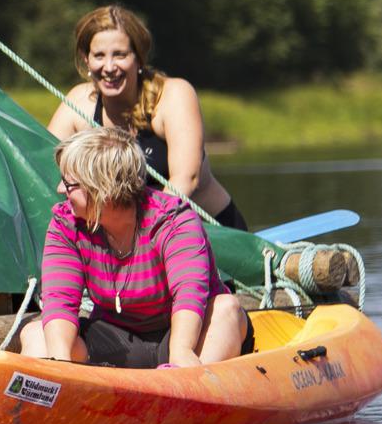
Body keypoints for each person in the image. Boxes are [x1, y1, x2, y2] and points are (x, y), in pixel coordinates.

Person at [22, 127, 248, 369]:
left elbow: (188, 293)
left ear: (102, 190)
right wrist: (60, 367)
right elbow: (60, 301)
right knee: (35, 335)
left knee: (228, 309)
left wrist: (181, 351)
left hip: (184, 336)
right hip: (115, 340)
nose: (59, 189)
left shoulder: (173, 220)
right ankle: (55, 401)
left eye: (69, 184)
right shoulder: (65, 223)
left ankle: (183, 388)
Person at [47, 4, 247, 230]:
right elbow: (41, 162)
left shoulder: (173, 95)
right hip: (133, 243)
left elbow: (186, 179)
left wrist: (142, 236)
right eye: (99, 56)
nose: (109, 66)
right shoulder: (80, 101)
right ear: (86, 59)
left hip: (211, 232)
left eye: (120, 55)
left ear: (139, 58)